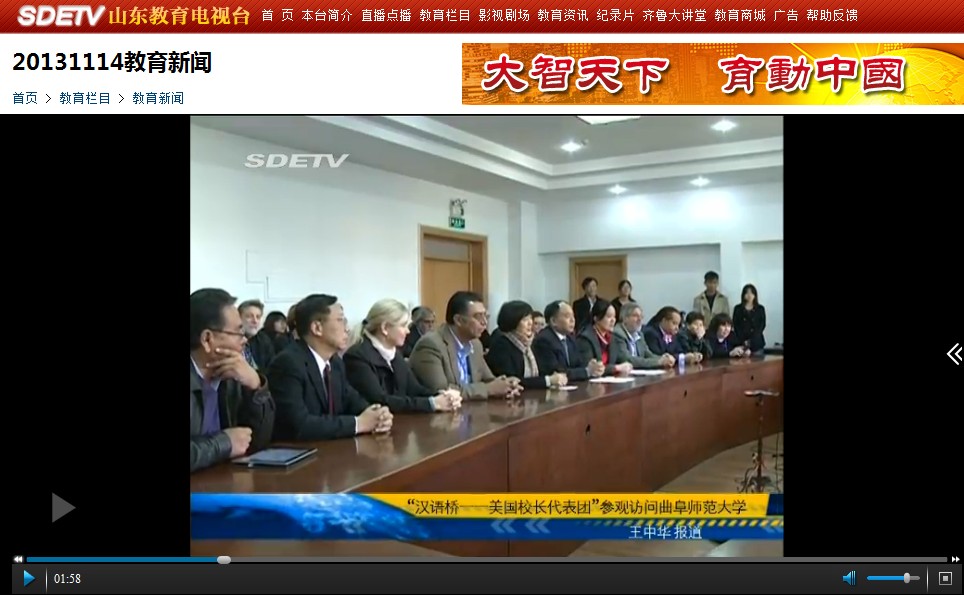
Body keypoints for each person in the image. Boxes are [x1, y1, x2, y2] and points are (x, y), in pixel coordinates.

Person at [268, 294, 393, 440]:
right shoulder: (287, 364)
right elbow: (299, 425)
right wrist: (358, 424)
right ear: (317, 328)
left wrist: (378, 415)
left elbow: (351, 399)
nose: (347, 329)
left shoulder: (335, 362)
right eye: (340, 320)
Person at [190, 288, 275, 473]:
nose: (244, 340)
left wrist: (256, 386)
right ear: (207, 339)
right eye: (237, 333)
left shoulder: (233, 375)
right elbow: (233, 443)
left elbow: (258, 441)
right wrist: (224, 443)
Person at [344, 299, 462, 412]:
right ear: (385, 328)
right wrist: (431, 403)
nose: (408, 331)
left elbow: (415, 390)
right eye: (403, 325)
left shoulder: (395, 355)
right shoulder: (356, 357)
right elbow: (379, 401)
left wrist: (443, 396)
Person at [408, 291, 521, 400]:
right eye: (478, 317)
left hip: (471, 409)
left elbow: (489, 380)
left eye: (486, 316)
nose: (484, 322)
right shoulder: (431, 345)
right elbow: (442, 392)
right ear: (458, 320)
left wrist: (507, 386)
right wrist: (488, 390)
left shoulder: (475, 344)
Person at [485, 300, 568, 389]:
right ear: (512, 321)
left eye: (530, 318)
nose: (530, 323)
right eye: (525, 320)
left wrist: (555, 375)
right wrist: (548, 380)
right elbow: (512, 381)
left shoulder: (530, 343)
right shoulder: (501, 346)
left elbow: (544, 370)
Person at [532, 300, 605, 380]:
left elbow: (578, 364)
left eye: (573, 316)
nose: (572, 320)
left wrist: (592, 367)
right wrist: (587, 371)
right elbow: (556, 372)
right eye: (567, 316)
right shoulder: (543, 340)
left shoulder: (570, 338)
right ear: (553, 321)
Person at [576, 301, 633, 376]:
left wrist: (627, 365)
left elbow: (622, 359)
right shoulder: (585, 338)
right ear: (596, 318)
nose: (613, 320)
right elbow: (591, 368)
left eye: (614, 317)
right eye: (609, 317)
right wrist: (616, 368)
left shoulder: (613, 337)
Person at [612, 303, 675, 369]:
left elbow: (648, 354)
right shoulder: (618, 334)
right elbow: (627, 359)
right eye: (635, 316)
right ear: (625, 318)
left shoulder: (639, 334)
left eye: (641, 316)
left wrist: (664, 359)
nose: (640, 319)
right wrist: (658, 362)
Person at [732, 284, 767, 355]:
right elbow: (736, 325)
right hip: (741, 342)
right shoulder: (738, 308)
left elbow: (762, 325)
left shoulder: (760, 309)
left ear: (755, 295)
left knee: (758, 361)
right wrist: (744, 341)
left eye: (751, 293)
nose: (749, 295)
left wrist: (751, 341)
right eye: (747, 293)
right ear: (743, 295)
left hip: (756, 343)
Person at [238, 299, 273, 369]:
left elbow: (271, 369)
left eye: (258, 317)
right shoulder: (229, 341)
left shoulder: (264, 340)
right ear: (238, 318)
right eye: (249, 316)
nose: (255, 321)